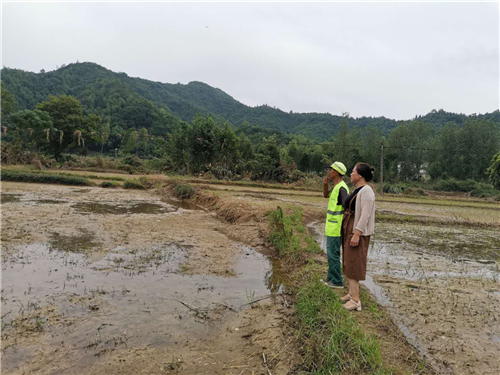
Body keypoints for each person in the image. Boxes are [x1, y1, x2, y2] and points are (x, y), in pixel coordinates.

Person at [341, 163, 376, 311]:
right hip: (350, 227)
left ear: (360, 175)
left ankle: (356, 300)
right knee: (349, 260)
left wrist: (356, 233)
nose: (350, 174)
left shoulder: (367, 191)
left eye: (353, 171)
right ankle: (351, 293)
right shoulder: (358, 190)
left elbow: (365, 215)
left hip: (356, 231)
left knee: (354, 262)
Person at [321, 161, 349, 288]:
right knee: (331, 254)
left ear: (336, 172)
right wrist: (325, 185)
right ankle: (331, 277)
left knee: (333, 254)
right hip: (332, 227)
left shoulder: (342, 188)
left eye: (331, 170)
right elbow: (326, 195)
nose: (329, 172)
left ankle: (337, 281)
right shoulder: (336, 187)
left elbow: (347, 207)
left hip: (336, 228)